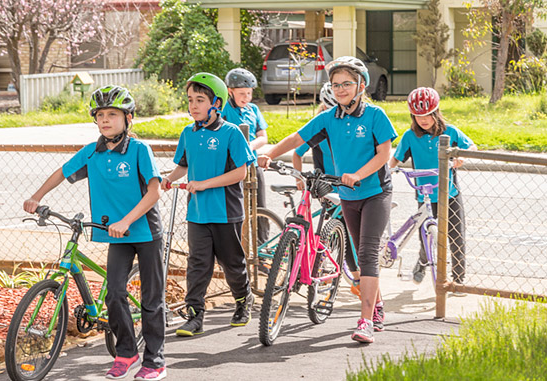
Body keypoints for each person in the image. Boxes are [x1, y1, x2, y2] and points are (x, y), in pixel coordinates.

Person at [23, 85, 167, 381]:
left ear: (129, 118)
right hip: (116, 235)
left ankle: (155, 362)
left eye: (112, 114)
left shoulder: (139, 150)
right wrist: (36, 196)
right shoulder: (93, 152)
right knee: (114, 294)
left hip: (144, 232)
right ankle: (126, 353)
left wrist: (126, 221)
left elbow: (154, 193)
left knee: (152, 300)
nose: (105, 120)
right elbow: (63, 172)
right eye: (100, 115)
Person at [257, 56, 397, 344]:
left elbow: (384, 155)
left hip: (375, 192)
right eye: (335, 85)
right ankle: (378, 305)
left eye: (347, 83)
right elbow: (296, 140)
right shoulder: (329, 119)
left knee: (368, 253)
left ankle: (366, 321)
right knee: (358, 253)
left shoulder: (375, 116)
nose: (341, 89)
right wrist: (269, 155)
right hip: (347, 195)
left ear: (361, 86)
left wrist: (357, 174)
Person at [162, 72, 256, 337]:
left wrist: (204, 183)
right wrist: (168, 179)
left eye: (200, 100)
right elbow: (183, 165)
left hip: (226, 212)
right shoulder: (188, 133)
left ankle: (242, 300)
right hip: (197, 213)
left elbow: (240, 173)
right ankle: (195, 316)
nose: (193, 105)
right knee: (198, 265)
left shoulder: (231, 133)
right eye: (190, 99)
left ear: (216, 103)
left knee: (232, 263)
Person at [389, 87, 476, 287]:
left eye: (428, 114)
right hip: (425, 196)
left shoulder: (450, 131)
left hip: (449, 193)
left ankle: (458, 279)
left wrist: (462, 156)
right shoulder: (410, 136)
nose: (424, 120)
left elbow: (471, 146)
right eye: (418, 116)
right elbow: (395, 159)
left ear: (436, 112)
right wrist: (387, 172)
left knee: (456, 236)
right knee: (425, 237)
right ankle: (422, 262)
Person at [292, 81, 361, 299]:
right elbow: (297, 152)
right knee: (342, 229)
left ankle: (339, 267)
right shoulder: (321, 127)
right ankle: (357, 277)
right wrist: (299, 178)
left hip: (348, 184)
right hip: (327, 185)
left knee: (344, 230)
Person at [221, 68, 269, 245]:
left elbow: (263, 137)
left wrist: (249, 147)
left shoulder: (253, 109)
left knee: (260, 207)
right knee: (236, 209)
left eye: (249, 93)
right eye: (242, 94)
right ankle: (238, 247)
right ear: (230, 91)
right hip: (233, 167)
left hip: (253, 164)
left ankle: (261, 249)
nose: (246, 97)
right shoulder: (224, 110)